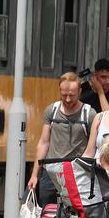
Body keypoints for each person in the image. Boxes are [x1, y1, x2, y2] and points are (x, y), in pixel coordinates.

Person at [29, 72, 97, 205]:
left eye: (72, 95)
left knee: (74, 216)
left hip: (76, 173)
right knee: (46, 214)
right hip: (51, 171)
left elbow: (93, 145)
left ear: (80, 91)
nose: (67, 99)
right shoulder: (52, 111)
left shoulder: (89, 114)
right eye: (64, 94)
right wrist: (34, 175)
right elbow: (44, 142)